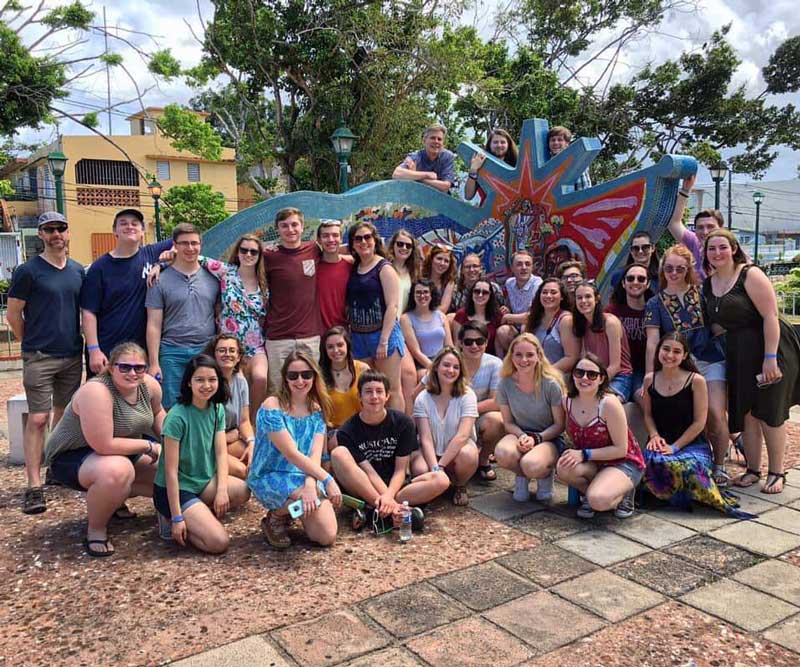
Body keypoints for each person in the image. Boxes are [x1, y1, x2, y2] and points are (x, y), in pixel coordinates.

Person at [44, 342, 165, 557]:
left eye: (139, 367)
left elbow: (158, 417)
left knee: (166, 471)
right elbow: (104, 444)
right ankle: (96, 529)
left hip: (124, 447)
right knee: (118, 471)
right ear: (111, 367)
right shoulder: (97, 391)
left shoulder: (149, 386)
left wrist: (172, 448)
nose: (132, 373)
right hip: (74, 454)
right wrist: (150, 446)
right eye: (124, 367)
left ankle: (114, 499)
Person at [704, 229, 800, 494]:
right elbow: (717, 323)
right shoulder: (709, 283)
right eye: (712, 249)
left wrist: (770, 358)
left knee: (770, 412)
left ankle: (777, 471)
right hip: (739, 353)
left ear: (734, 248)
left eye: (722, 247)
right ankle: (753, 470)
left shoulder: (749, 274)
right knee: (746, 412)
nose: (717, 253)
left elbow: (770, 316)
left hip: (771, 348)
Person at [7, 211, 85, 514]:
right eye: (48, 229)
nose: (55, 234)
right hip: (40, 355)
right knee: (38, 418)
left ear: (67, 233)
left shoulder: (78, 271)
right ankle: (33, 484)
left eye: (60, 228)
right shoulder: (28, 271)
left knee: (62, 415)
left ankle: (54, 466)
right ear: (40, 234)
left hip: (70, 354)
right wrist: (31, 341)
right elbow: (14, 315)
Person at [641, 333, 753, 517]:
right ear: (658, 350)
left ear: (685, 356)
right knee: (650, 462)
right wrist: (654, 436)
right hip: (660, 440)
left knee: (688, 468)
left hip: (691, 443)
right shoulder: (649, 380)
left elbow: (699, 422)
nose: (670, 355)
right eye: (666, 349)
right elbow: (647, 415)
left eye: (676, 351)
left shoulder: (696, 381)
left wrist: (675, 447)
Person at [645, 244, 729, 485]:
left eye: (679, 268)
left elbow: (718, 326)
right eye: (668, 268)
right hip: (676, 365)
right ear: (662, 270)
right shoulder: (655, 303)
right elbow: (653, 342)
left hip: (708, 359)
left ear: (688, 269)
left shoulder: (703, 293)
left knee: (715, 413)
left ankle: (720, 464)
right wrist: (650, 374)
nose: (674, 273)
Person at [153, 355, 251, 554]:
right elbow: (170, 472)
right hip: (177, 489)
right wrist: (178, 517)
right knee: (218, 542)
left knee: (243, 491)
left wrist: (222, 490)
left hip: (202, 480)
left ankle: (197, 512)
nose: (207, 385)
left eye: (212, 379)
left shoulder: (216, 409)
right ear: (189, 382)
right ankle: (171, 515)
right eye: (200, 380)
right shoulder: (177, 417)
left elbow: (221, 453)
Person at [332, 370, 449, 530]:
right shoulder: (348, 431)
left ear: (387, 396)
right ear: (359, 397)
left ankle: (374, 511)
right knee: (338, 453)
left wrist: (388, 496)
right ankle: (394, 511)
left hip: (397, 486)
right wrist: (389, 501)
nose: (374, 396)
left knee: (442, 479)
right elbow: (369, 472)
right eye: (368, 392)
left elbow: (401, 470)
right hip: (365, 485)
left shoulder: (403, 423)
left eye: (379, 391)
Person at [248, 352, 342, 549]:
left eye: (306, 375)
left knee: (326, 536)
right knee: (309, 504)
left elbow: (314, 455)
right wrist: (327, 479)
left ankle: (290, 511)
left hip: (303, 473)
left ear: (314, 377)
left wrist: (310, 485)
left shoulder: (316, 411)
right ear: (285, 378)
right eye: (293, 375)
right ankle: (276, 516)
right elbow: (291, 453)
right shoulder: (271, 407)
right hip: (272, 472)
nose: (300, 380)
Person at [81, 208, 173, 378]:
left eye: (135, 223)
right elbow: (88, 312)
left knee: (138, 401)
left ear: (142, 231)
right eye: (123, 223)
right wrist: (94, 350)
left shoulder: (150, 254)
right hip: (107, 351)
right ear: (114, 231)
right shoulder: (100, 267)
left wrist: (163, 263)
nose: (129, 227)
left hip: (140, 352)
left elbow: (186, 240)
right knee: (102, 400)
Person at [557, 354, 645, 519]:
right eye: (579, 372)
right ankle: (595, 491)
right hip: (593, 461)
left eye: (592, 374)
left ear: (601, 379)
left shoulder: (609, 404)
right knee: (563, 467)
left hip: (622, 461)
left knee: (599, 500)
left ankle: (623, 492)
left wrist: (584, 454)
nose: (584, 378)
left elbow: (621, 449)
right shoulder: (567, 401)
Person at [145, 223, 220, 409]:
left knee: (205, 404)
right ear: (175, 245)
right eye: (184, 243)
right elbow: (153, 324)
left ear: (201, 245)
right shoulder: (159, 280)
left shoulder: (214, 277)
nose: (190, 248)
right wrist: (154, 363)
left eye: (194, 243)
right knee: (171, 406)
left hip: (205, 349)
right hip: (172, 352)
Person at [200, 234, 268, 420]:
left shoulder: (264, 281)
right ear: (237, 252)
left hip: (254, 344)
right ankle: (224, 423)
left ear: (259, 255)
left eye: (253, 251)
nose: (248, 254)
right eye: (243, 250)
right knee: (229, 383)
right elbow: (196, 256)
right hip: (229, 343)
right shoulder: (226, 272)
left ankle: (253, 423)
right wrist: (163, 261)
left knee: (260, 378)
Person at [494, 334, 566, 502]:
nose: (524, 360)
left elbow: (559, 425)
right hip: (521, 433)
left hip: (548, 437)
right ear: (511, 356)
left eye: (530, 355)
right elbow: (508, 423)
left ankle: (545, 474)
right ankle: (521, 477)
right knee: (502, 453)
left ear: (539, 356)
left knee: (531, 464)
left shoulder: (551, 384)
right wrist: (522, 436)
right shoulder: (505, 383)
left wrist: (537, 438)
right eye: (518, 354)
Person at [261, 207, 323, 394]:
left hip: (310, 335)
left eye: (295, 224)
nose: (290, 230)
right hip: (278, 337)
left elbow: (340, 253)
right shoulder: (268, 256)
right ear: (277, 229)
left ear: (302, 227)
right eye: (284, 226)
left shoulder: (314, 249)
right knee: (278, 389)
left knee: (311, 389)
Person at [347, 222, 406, 411]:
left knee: (391, 389)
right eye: (358, 238)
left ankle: (398, 434)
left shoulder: (384, 267)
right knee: (366, 389)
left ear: (375, 240)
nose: (363, 242)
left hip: (382, 335)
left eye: (367, 237)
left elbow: (392, 306)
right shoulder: (354, 266)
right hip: (358, 337)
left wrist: (384, 340)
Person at [412, 347, 479, 506]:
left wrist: (440, 467)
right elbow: (426, 438)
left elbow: (462, 436)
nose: (451, 370)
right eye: (446, 365)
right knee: (419, 469)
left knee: (468, 455)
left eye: (456, 367)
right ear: (436, 367)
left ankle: (460, 485)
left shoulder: (467, 395)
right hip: (431, 450)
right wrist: (435, 467)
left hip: (457, 450)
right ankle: (435, 485)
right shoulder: (423, 398)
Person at [456, 321, 505, 481]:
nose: (474, 346)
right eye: (469, 342)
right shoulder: (451, 363)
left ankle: (483, 460)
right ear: (460, 343)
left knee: (497, 420)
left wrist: (469, 412)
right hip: (451, 416)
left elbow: (496, 401)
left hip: (477, 415)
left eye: (480, 341)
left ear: (486, 341)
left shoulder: (495, 364)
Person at [203, 334, 255, 481]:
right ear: (214, 355)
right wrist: (226, 437)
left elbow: (244, 421)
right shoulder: (208, 383)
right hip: (207, 445)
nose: (227, 354)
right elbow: (200, 433)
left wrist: (251, 441)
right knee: (242, 470)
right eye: (222, 350)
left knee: (256, 457)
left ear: (239, 357)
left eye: (232, 350)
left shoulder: (240, 381)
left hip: (231, 439)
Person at [572, 281, 634, 402]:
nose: (583, 301)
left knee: (603, 403)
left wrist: (596, 384)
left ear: (597, 299)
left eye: (588, 296)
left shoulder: (610, 323)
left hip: (619, 376)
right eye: (579, 298)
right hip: (593, 376)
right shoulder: (582, 324)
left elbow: (615, 366)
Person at [607, 263, 654, 401]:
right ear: (623, 283)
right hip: (620, 371)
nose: (635, 282)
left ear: (648, 284)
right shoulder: (611, 311)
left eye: (641, 279)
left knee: (644, 398)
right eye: (630, 278)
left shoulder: (654, 309)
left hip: (645, 369)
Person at [667, 173, 726, 281]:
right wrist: (685, 190)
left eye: (710, 226)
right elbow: (674, 223)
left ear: (721, 228)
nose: (705, 232)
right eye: (700, 227)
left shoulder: (731, 251)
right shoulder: (695, 242)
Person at [319, 326, 370, 439]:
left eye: (340, 345)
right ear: (325, 350)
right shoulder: (320, 376)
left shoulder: (362, 369)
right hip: (335, 433)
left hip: (363, 428)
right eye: (330, 347)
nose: (336, 350)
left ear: (347, 345)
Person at [524, 278, 579, 373]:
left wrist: (545, 373)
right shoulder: (535, 318)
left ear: (562, 297)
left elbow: (571, 358)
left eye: (553, 292)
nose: (548, 296)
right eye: (544, 292)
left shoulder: (566, 320)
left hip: (556, 376)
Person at [496, 251, 544, 356]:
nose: (524, 267)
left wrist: (508, 316)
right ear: (512, 268)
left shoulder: (538, 284)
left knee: (524, 327)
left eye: (527, 264)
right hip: (516, 326)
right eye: (519, 264)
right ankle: (503, 366)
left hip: (536, 326)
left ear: (532, 267)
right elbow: (509, 306)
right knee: (502, 331)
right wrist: (506, 309)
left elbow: (532, 316)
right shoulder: (509, 283)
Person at [401, 279, 453, 374]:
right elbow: (416, 352)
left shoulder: (441, 315)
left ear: (431, 295)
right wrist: (436, 369)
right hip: (423, 364)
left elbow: (449, 346)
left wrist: (449, 365)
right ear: (413, 295)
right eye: (418, 293)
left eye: (425, 292)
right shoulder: (406, 319)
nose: (422, 296)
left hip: (444, 361)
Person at [392, 124, 456, 193]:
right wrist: (427, 175)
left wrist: (416, 176)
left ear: (443, 144)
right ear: (424, 140)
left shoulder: (448, 157)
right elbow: (396, 174)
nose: (436, 141)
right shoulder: (416, 156)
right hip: (418, 197)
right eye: (432, 138)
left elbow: (445, 187)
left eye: (439, 139)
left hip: (440, 199)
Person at [452, 278, 505, 356]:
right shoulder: (461, 315)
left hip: (491, 359)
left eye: (485, 292)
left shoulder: (497, 315)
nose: (480, 295)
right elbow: (457, 345)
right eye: (477, 291)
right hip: (467, 359)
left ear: (490, 295)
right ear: (472, 293)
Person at [464, 128, 519, 203]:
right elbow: (468, 196)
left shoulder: (517, 165)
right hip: (488, 213)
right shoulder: (481, 164)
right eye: (495, 142)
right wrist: (473, 169)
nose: (499, 145)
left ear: (508, 145)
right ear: (489, 145)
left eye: (503, 142)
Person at [317, 219, 353, 331]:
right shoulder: (311, 266)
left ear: (341, 239)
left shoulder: (352, 265)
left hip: (344, 333)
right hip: (317, 335)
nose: (331, 239)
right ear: (318, 240)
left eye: (335, 235)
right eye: (325, 236)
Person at [547, 126, 592, 192]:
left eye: (560, 140)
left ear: (567, 144)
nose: (556, 143)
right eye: (553, 140)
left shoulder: (577, 163)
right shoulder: (547, 164)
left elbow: (584, 191)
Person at [387, 228, 419, 315]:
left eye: (408, 246)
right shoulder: (384, 267)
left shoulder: (414, 272)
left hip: (401, 323)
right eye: (400, 244)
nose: (404, 248)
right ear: (393, 245)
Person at [421, 245, 457, 313]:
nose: (442, 263)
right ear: (431, 259)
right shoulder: (420, 277)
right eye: (439, 259)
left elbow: (443, 309)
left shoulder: (449, 283)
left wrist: (424, 314)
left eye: (446, 261)